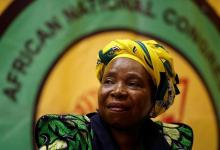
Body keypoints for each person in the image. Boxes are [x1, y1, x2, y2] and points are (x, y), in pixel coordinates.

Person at [35, 39, 193, 150]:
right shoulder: (71, 138)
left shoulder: (169, 142)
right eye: (109, 81)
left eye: (133, 84)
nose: (117, 91)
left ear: (155, 99)